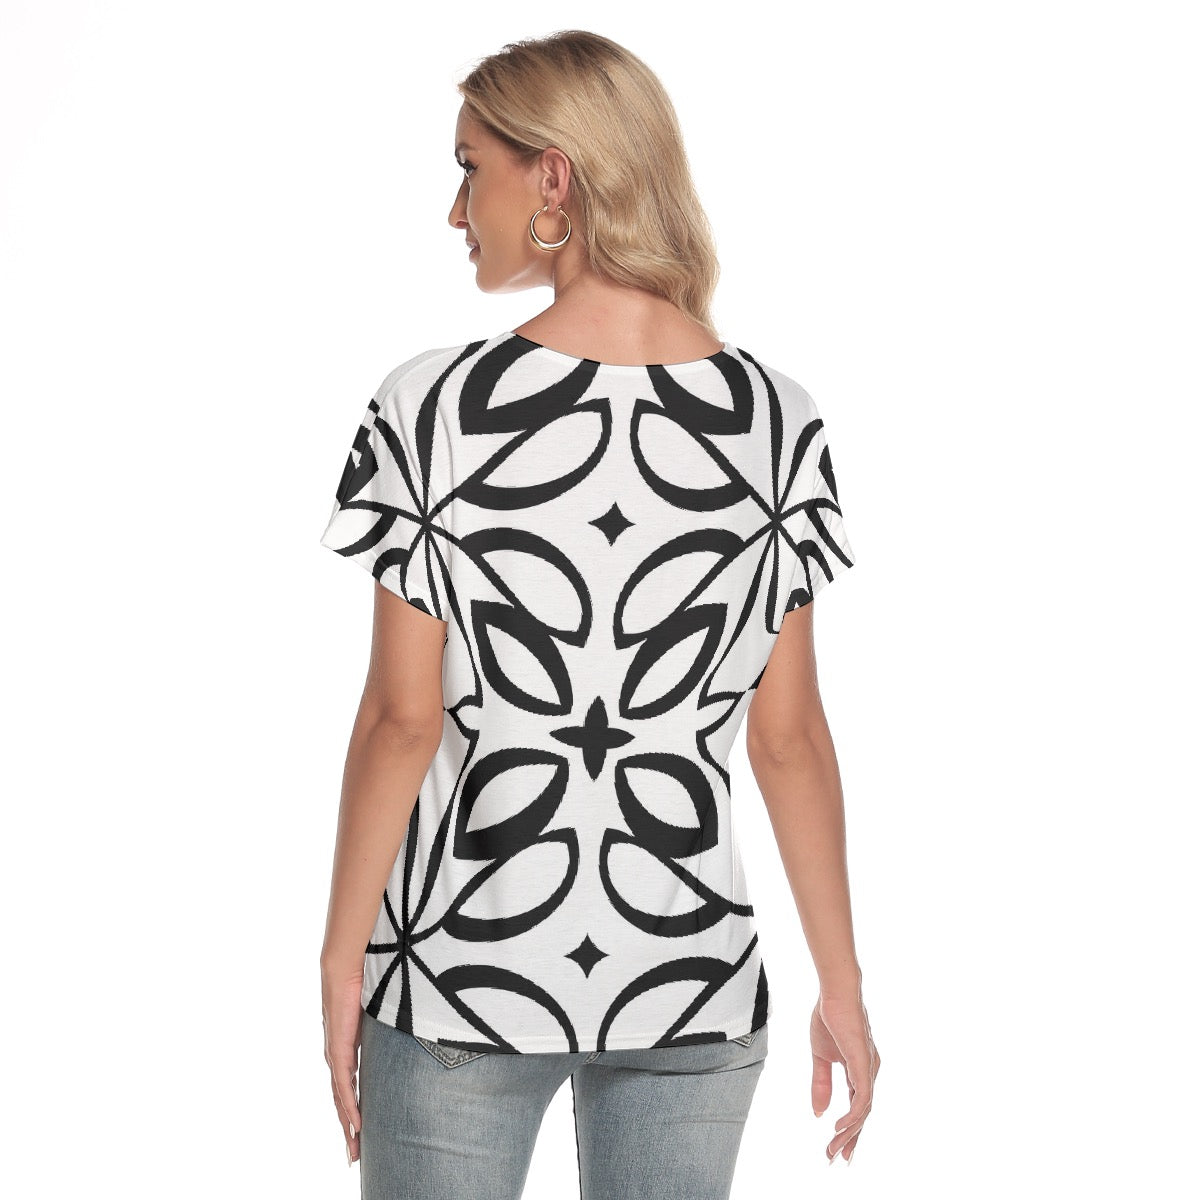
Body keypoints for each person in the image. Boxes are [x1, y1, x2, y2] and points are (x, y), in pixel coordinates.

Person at [317, 29, 880, 1200]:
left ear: (553, 178)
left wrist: (339, 958)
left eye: (470, 167)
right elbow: (788, 739)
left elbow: (400, 723)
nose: (455, 209)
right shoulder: (777, 420)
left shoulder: (433, 407)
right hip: (692, 982)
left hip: (461, 976)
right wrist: (842, 985)